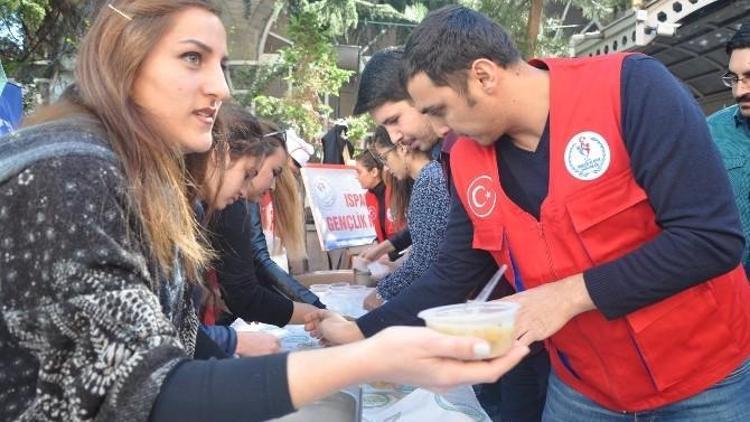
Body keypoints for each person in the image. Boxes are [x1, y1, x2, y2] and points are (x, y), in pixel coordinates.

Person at [0, 2, 531, 421]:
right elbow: (146, 394)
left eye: (222, 66)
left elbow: (173, 341)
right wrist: (370, 356)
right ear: (124, 60)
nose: (221, 88)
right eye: (192, 58)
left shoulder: (130, 175)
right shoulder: (71, 171)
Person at [308, 5, 750, 421]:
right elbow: (455, 271)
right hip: (586, 386)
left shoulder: (629, 89)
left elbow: (710, 239)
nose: (439, 130)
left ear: (483, 76)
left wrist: (567, 296)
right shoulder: (465, 158)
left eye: (441, 111)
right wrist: (362, 332)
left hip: (705, 378)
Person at [353, 47, 447, 264]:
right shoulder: (442, 162)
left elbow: (441, 262)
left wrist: (384, 290)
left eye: (394, 120)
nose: (395, 137)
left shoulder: (433, 177)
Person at [360, 126, 450, 310]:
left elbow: (424, 259)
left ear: (402, 148)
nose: (385, 167)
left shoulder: (429, 181)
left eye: (385, 158)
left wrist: (381, 293)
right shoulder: (430, 177)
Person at [708, 21, 750, 274]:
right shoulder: (710, 132)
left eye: (749, 77)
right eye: (734, 79)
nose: (739, 91)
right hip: (732, 300)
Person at [354, 145, 402, 243]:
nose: (356, 177)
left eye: (359, 172)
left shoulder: (397, 191)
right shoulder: (369, 196)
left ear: (374, 172)